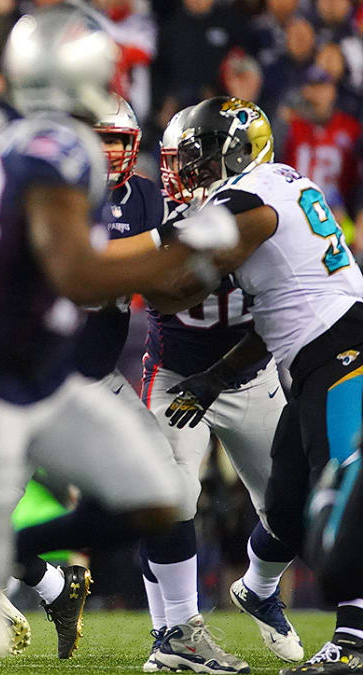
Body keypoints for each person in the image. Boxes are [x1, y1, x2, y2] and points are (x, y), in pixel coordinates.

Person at [0, 6, 241, 673]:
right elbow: (76, 272)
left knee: (156, 499)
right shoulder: (61, 149)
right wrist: (180, 249)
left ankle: (15, 550)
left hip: (46, 372)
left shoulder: (17, 144)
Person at [154, 95, 363, 675]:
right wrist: (216, 376)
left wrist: (116, 272)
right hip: (310, 355)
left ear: (236, 151)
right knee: (288, 508)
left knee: (343, 493)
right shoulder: (278, 183)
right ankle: (257, 588)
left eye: (195, 157)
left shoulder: (248, 199)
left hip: (347, 348)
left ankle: (354, 638)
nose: (186, 172)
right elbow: (278, 316)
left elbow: (179, 284)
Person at [134, 101, 303, 672]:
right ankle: (174, 631)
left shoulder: (265, 209)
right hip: (174, 375)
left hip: (246, 375)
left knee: (293, 504)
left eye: (194, 158)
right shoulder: (159, 210)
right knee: (167, 497)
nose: (183, 170)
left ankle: (260, 588)